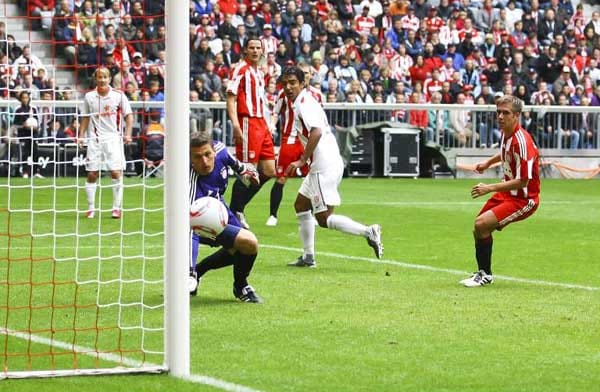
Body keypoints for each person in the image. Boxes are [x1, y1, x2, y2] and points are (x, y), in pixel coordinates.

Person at [280, 66, 383, 268]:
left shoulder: (304, 103)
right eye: (285, 83)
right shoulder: (302, 102)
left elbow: (316, 132)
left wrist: (302, 160)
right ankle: (308, 257)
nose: (288, 87)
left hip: (322, 165)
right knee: (301, 205)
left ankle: (368, 231)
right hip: (326, 162)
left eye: (293, 82)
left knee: (324, 218)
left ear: (303, 83)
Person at [460, 95, 540, 287]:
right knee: (479, 228)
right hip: (507, 194)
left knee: (481, 225)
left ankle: (485, 275)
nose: (501, 117)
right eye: (498, 112)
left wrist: (489, 188)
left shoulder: (522, 143)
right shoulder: (506, 133)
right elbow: (505, 152)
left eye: (506, 113)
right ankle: (483, 273)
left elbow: (522, 181)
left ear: (517, 116)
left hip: (524, 200)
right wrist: (488, 163)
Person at [188, 132, 263, 303]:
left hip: (219, 210)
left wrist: (249, 173)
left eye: (207, 154)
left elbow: (239, 166)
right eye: (197, 157)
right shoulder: (190, 178)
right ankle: (196, 273)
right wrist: (189, 271)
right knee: (247, 241)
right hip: (197, 222)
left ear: (214, 150)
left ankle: (239, 285)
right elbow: (189, 229)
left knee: (246, 247)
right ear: (190, 159)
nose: (204, 161)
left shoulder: (222, 151)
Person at [226, 37, 276, 229]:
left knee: (269, 170)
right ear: (245, 50)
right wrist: (236, 125)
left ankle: (237, 208)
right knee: (248, 170)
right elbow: (231, 98)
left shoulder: (258, 72)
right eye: (251, 48)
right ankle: (235, 211)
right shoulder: (241, 69)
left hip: (261, 123)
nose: (255, 51)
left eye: (258, 48)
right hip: (248, 122)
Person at [266, 62, 322, 227]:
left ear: (309, 77)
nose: (305, 75)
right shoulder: (285, 94)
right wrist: (272, 125)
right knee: (282, 177)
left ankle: (313, 214)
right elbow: (276, 112)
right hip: (290, 139)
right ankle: (273, 215)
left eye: (307, 73)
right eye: (302, 72)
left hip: (307, 141)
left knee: (312, 177)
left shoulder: (316, 95)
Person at [78, 67, 133, 219]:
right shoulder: (89, 97)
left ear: (109, 79)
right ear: (95, 79)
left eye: (105, 77)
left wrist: (128, 134)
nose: (102, 80)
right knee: (92, 174)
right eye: (99, 77)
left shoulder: (119, 95)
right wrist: (81, 136)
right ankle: (90, 208)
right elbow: (85, 117)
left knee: (116, 172)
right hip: (95, 139)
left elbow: (129, 116)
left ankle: (116, 208)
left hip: (113, 139)